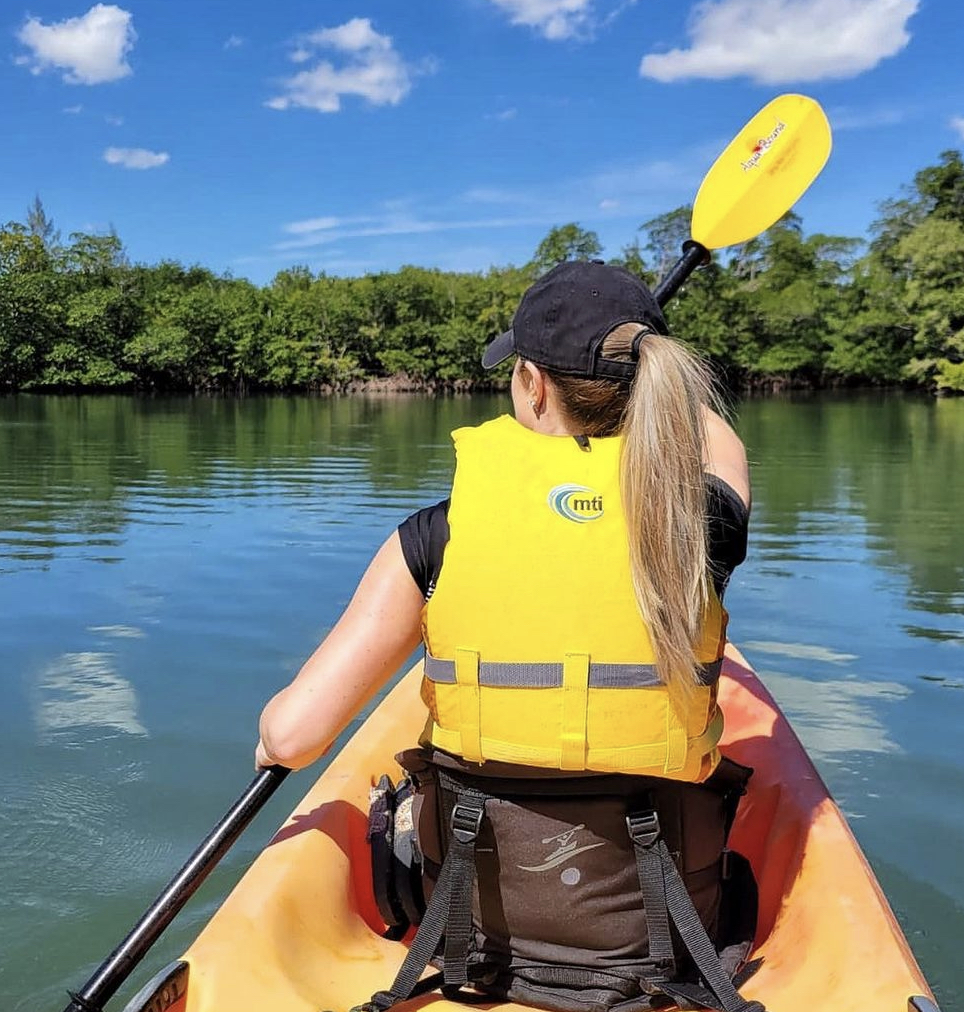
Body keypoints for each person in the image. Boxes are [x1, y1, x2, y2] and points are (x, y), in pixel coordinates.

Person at [256, 260, 750, 776]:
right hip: (660, 853)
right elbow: (719, 445)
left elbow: (293, 737)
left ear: (532, 384)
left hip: (477, 852)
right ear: (655, 384)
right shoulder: (698, 524)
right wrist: (648, 376)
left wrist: (268, 743)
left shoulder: (434, 537)